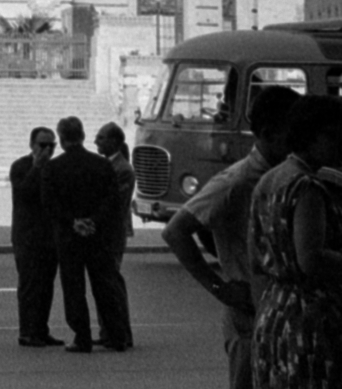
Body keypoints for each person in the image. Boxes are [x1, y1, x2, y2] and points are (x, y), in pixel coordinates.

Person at [163, 84, 300, 389]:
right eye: (293, 132)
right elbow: (176, 231)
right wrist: (219, 287)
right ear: (268, 133)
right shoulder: (238, 181)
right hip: (249, 314)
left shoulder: (289, 177)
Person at [247, 94, 342, 389]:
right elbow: (311, 258)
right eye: (333, 135)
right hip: (310, 321)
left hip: (273, 312)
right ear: (311, 136)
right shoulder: (307, 186)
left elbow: (255, 259)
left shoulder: (269, 180)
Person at [40, 115, 127, 353]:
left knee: (74, 288)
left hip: (68, 237)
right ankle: (116, 336)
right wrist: (93, 221)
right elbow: (112, 199)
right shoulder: (101, 164)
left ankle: (82, 336)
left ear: (61, 138)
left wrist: (73, 222)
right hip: (98, 234)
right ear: (83, 136)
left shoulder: (53, 167)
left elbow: (49, 203)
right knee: (105, 286)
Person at [9, 126, 63, 347]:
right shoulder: (21, 166)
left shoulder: (56, 168)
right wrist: (37, 167)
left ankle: (41, 329)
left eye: (52, 145)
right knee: (30, 284)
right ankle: (27, 331)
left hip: (49, 236)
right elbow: (23, 194)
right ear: (32, 145)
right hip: (27, 235)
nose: (47, 150)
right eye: (43, 145)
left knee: (46, 285)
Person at [93, 122, 136, 350]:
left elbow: (115, 204)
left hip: (111, 233)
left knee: (111, 282)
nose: (96, 142)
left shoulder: (122, 169)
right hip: (105, 231)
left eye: (100, 138)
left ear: (114, 142)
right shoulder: (108, 165)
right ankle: (107, 330)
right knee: (103, 283)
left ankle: (121, 332)